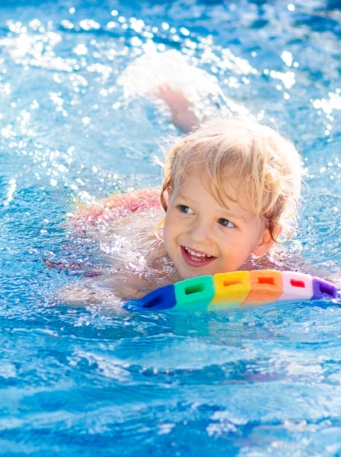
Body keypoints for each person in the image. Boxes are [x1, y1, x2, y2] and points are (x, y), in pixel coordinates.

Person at [56, 52, 309, 305]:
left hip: (189, 193)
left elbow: (324, 282)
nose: (197, 235)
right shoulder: (151, 265)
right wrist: (99, 299)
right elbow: (103, 289)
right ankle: (182, 112)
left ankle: (189, 117)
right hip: (118, 212)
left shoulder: (269, 263)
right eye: (184, 210)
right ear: (170, 198)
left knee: (210, 161)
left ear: (265, 238)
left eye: (224, 222)